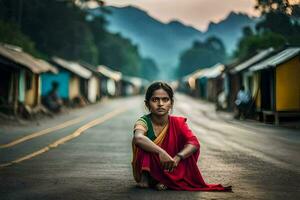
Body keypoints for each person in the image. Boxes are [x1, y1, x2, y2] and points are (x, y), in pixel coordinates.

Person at [132, 81, 232, 191]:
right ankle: (147, 179)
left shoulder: (177, 123)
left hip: (170, 165)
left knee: (185, 150)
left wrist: (178, 157)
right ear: (147, 104)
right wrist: (161, 152)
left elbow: (193, 143)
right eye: (155, 100)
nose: (160, 104)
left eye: (165, 99)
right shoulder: (143, 121)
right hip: (149, 169)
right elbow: (138, 138)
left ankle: (165, 180)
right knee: (145, 144)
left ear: (171, 103)